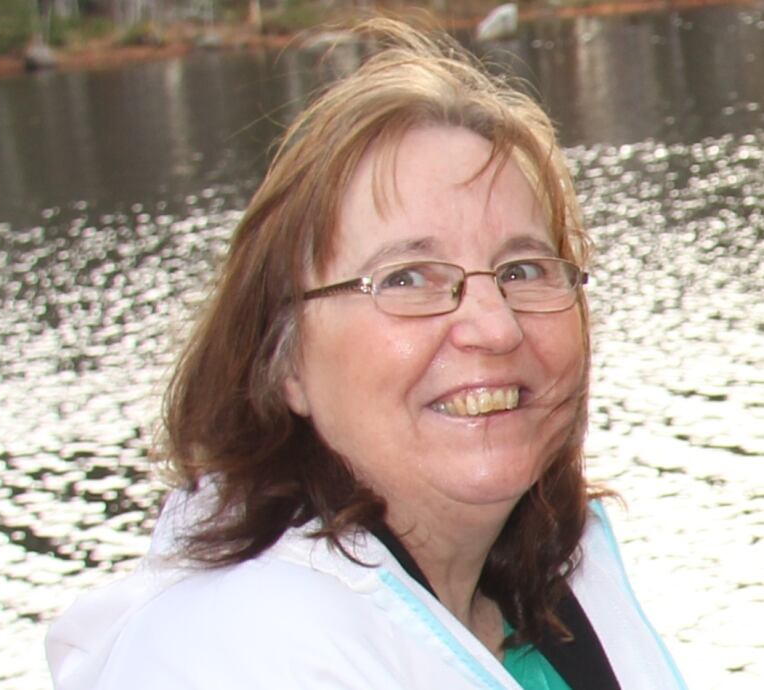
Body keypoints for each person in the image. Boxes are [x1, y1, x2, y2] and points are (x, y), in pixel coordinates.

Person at [46, 18, 687, 690]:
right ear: (284, 361)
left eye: (524, 270)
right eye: (407, 278)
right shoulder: (234, 658)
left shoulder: (552, 588)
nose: (494, 327)